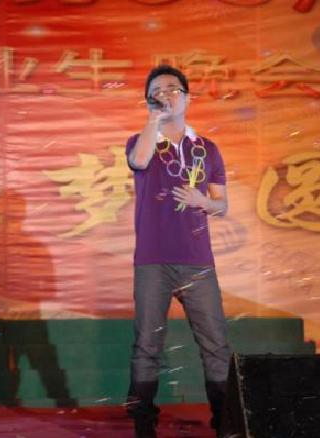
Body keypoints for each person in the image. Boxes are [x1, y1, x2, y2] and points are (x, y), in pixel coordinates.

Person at [125, 65, 231, 438]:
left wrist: (204, 202)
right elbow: (138, 162)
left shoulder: (208, 149)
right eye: (156, 91)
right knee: (147, 345)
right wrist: (154, 120)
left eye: (172, 89)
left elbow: (222, 205)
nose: (165, 94)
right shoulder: (141, 140)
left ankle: (226, 422)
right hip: (152, 261)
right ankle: (143, 425)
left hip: (198, 262)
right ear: (148, 101)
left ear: (187, 97)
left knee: (216, 345)